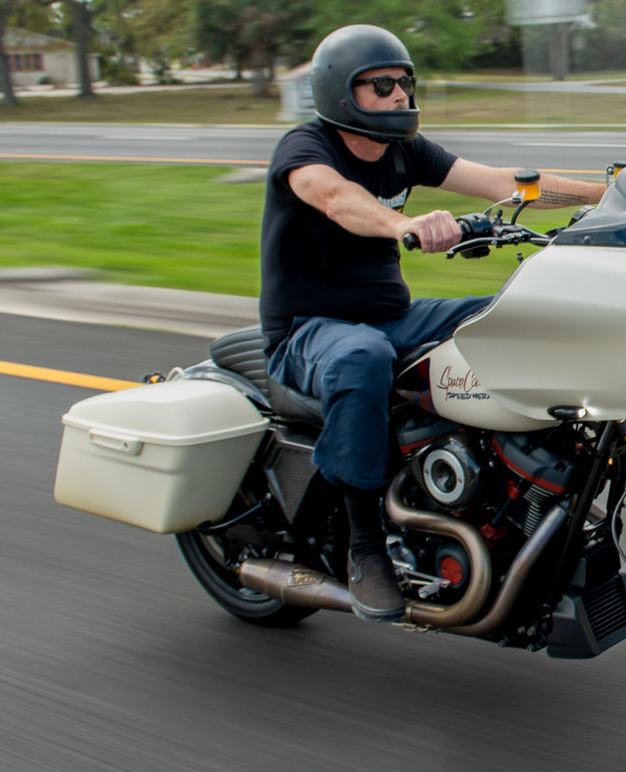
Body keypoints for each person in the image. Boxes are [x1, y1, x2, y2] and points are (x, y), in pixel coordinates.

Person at [259, 24, 607, 623]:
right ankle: (365, 547)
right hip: (309, 329)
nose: (400, 96)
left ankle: (520, 490)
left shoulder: (404, 151)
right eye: (382, 85)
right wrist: (402, 225)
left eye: (405, 82)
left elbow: (506, 185)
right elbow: (336, 197)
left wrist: (610, 196)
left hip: (390, 317)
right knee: (360, 357)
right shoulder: (305, 148)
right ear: (342, 93)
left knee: (520, 313)